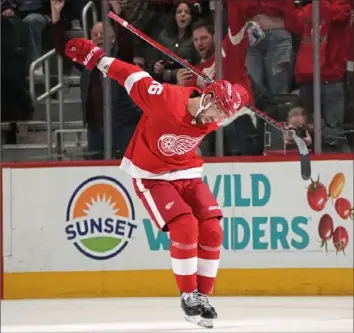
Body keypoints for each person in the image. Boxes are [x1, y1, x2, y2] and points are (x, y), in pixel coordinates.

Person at [64, 37, 249, 328]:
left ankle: (202, 295)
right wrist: (97, 57)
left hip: (187, 172)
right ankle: (188, 295)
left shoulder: (219, 108)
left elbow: (240, 92)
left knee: (212, 228)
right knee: (185, 225)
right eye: (220, 114)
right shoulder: (165, 99)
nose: (220, 121)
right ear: (208, 100)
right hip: (152, 175)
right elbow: (131, 75)